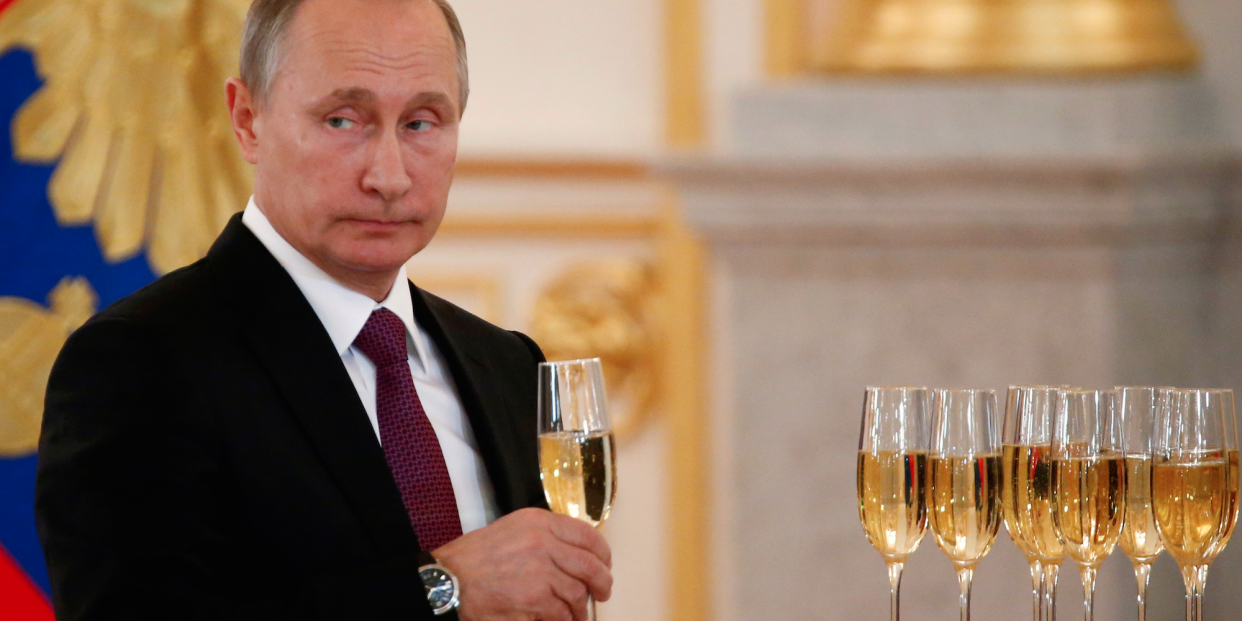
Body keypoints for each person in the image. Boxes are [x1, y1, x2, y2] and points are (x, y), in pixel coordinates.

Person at [34, 0, 612, 619]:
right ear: (247, 119)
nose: (388, 176)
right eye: (343, 120)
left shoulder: (509, 364)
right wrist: (442, 590)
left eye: (421, 123)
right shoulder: (140, 363)